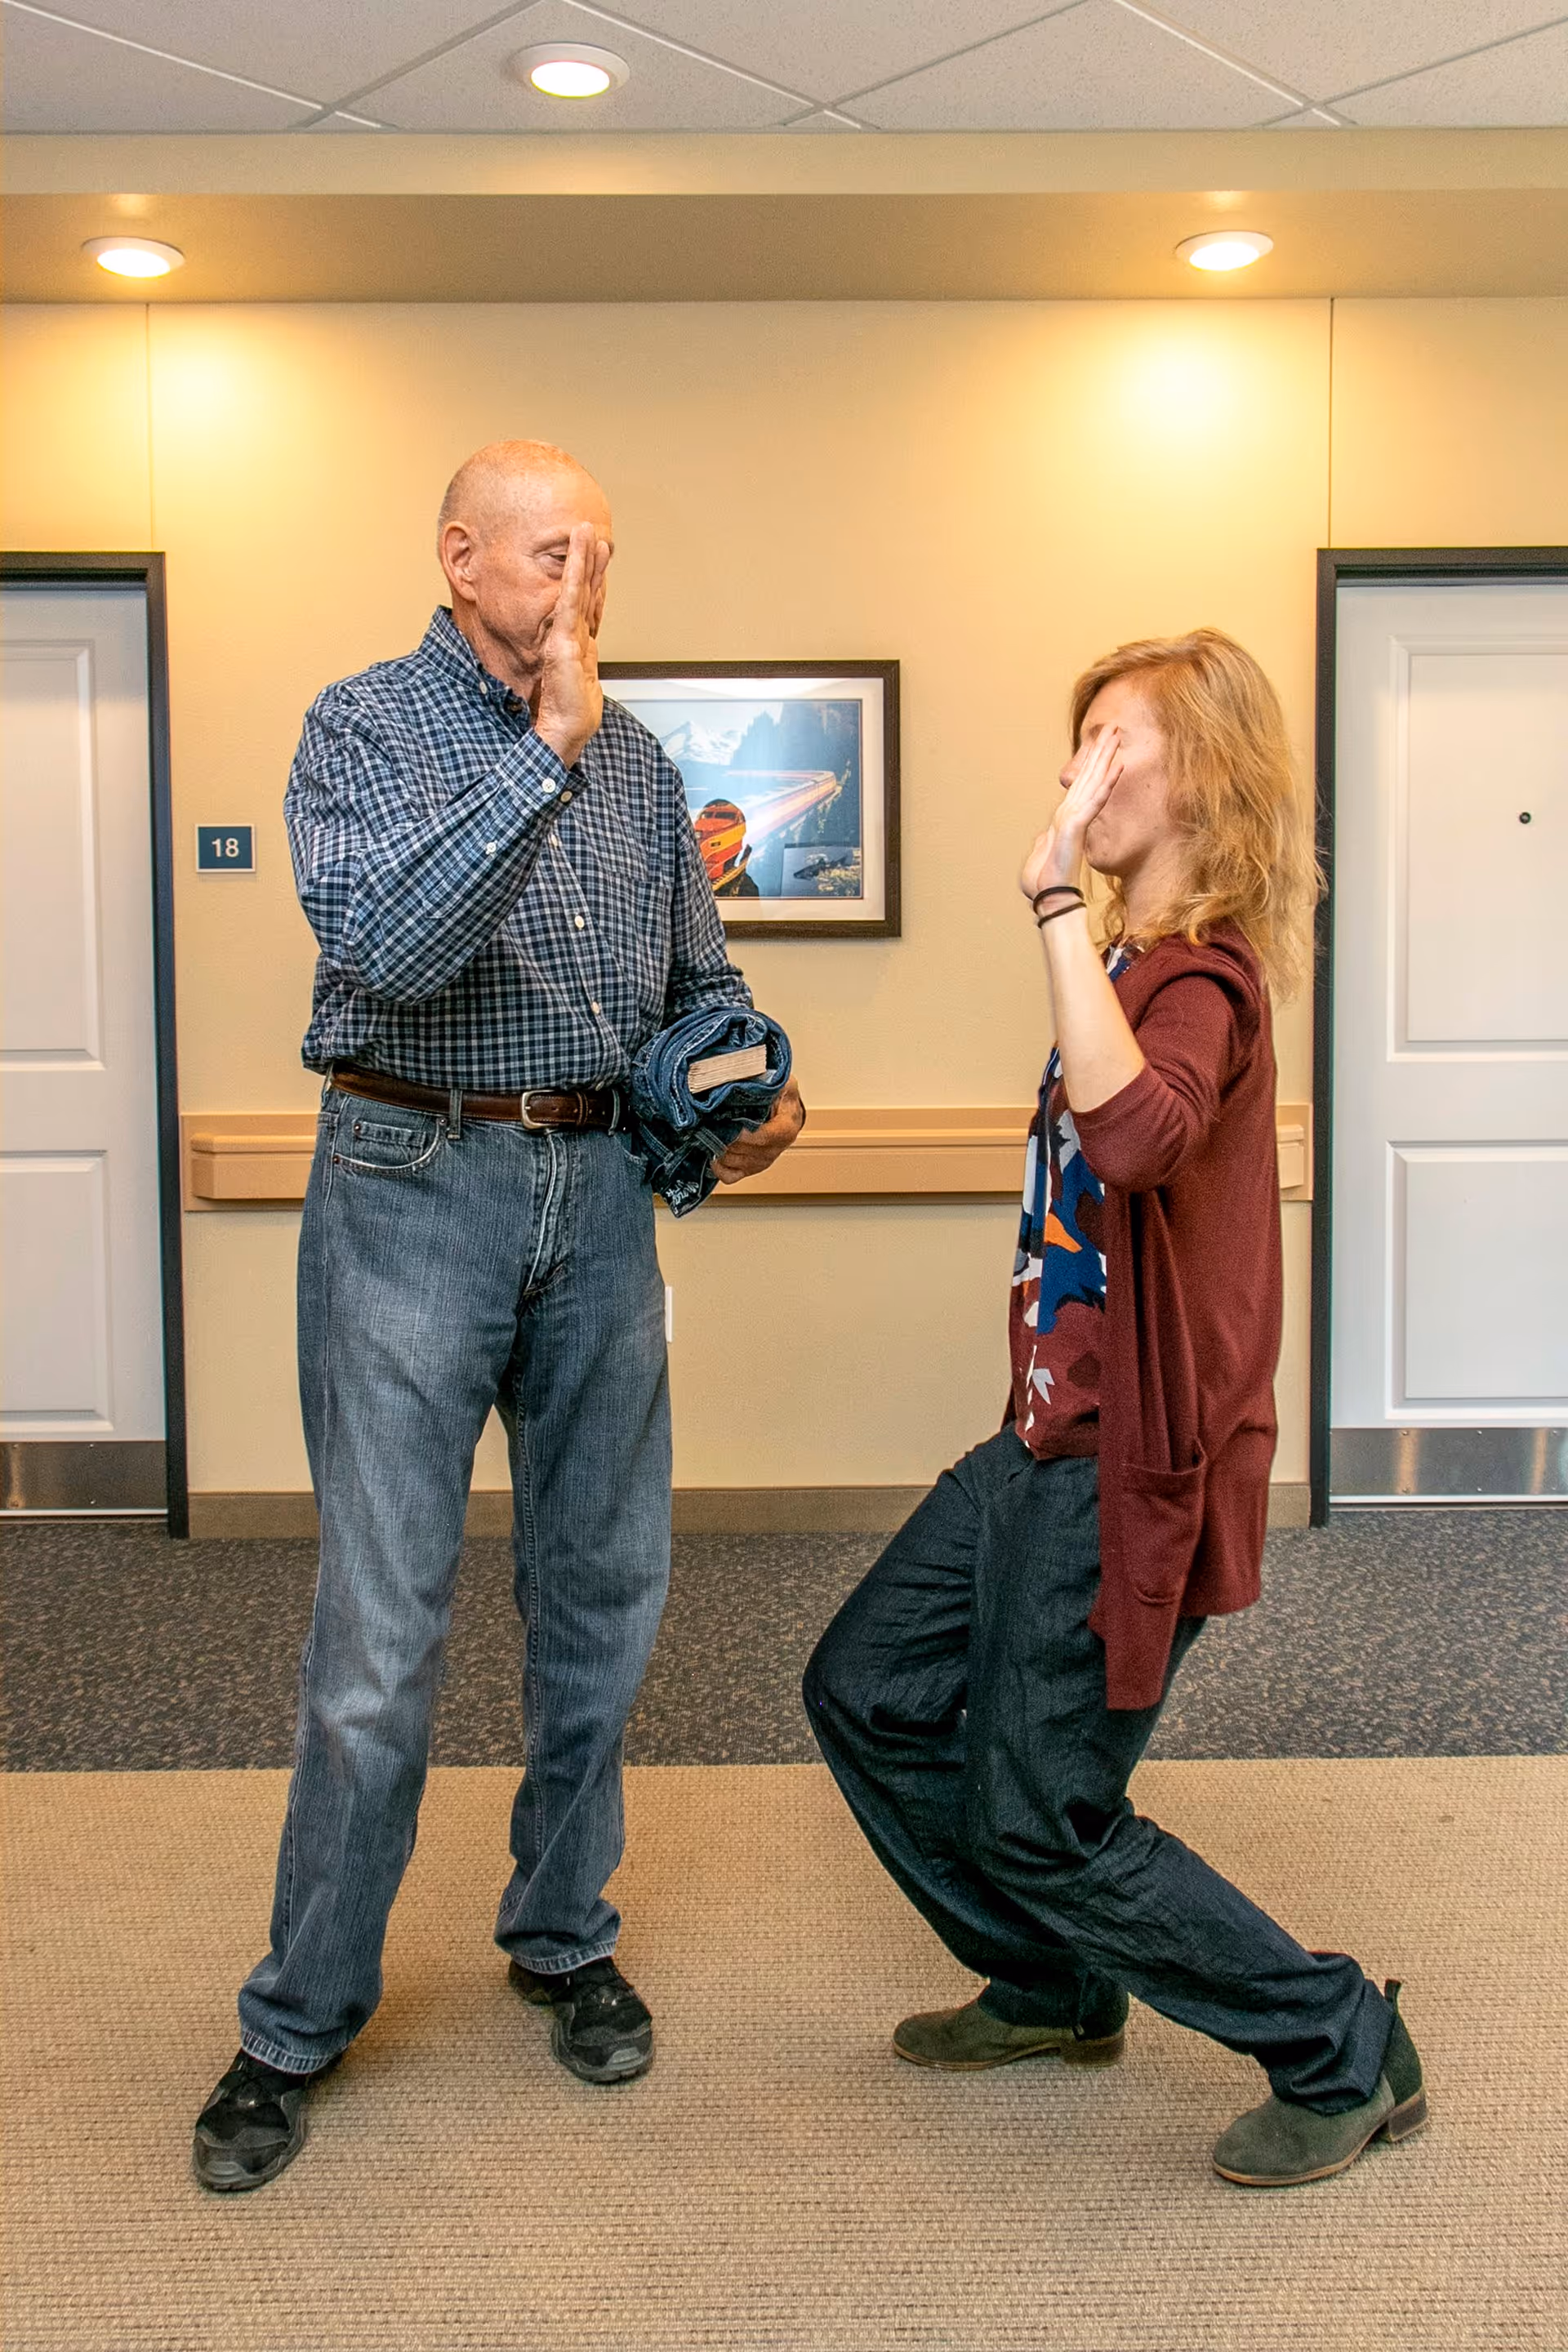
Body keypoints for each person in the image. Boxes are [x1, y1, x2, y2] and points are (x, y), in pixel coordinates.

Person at [193, 439, 804, 2194]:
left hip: (599, 1197)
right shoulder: (364, 726)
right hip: (408, 1188)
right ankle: (298, 2018)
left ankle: (560, 1931)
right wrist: (541, 749)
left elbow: (704, 977)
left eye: (603, 550)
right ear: (463, 557)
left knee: (603, 1597)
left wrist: (745, 1073)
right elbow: (384, 946)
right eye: (553, 551)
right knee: (381, 1645)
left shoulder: (646, 763)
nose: (584, 580)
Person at [804, 629, 1427, 2189]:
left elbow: (1139, 1137)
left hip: (1126, 1465)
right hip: (1036, 1438)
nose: (1080, 772)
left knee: (1043, 1811)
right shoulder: (1134, 966)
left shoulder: (1201, 975)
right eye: (1072, 741)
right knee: (866, 1684)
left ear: (1202, 774)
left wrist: (1050, 894)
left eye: (1114, 744)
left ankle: (1339, 2041)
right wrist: (1081, 922)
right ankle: (1054, 1981)